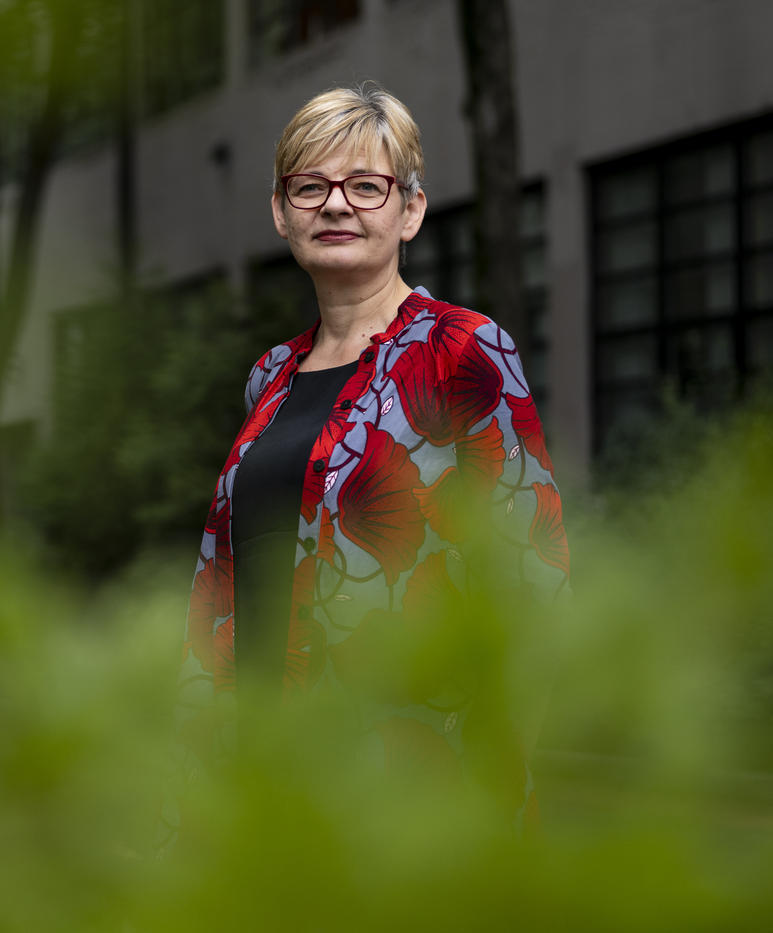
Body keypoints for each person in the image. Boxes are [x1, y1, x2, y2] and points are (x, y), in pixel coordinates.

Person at [164, 84, 569, 848]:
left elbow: (533, 582)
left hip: (406, 795)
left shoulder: (465, 351)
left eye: (366, 186)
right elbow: (226, 584)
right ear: (281, 212)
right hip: (252, 779)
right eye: (310, 186)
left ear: (409, 210)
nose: (336, 206)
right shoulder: (270, 378)